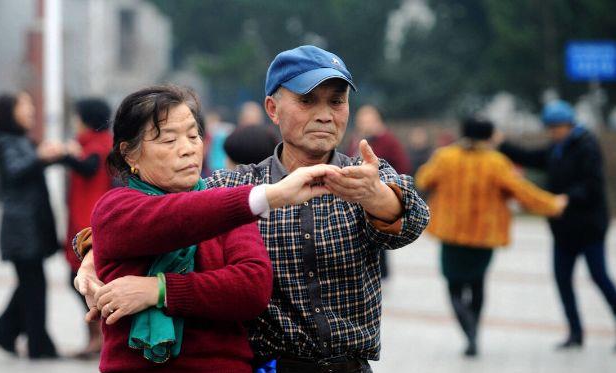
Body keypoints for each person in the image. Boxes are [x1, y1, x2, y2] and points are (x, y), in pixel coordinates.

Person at [76, 45, 430, 372]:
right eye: (308, 101)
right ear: (272, 109)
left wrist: (374, 195)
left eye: (336, 102)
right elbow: (168, 214)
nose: (325, 115)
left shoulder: (363, 176)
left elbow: (413, 217)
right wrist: (93, 256)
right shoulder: (237, 186)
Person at [76, 85, 341, 372]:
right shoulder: (117, 208)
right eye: (168, 140)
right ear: (129, 154)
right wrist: (268, 196)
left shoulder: (223, 208)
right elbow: (172, 218)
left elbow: (251, 288)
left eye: (193, 135)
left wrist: (160, 290)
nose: (188, 148)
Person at [415, 117, 568, 357]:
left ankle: (469, 333)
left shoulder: (446, 157)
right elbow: (522, 191)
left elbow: (424, 179)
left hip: (451, 233)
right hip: (484, 234)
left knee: (453, 285)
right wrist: (552, 204)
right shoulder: (496, 162)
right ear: (488, 136)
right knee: (477, 283)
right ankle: (475, 332)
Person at [498, 100, 616, 350]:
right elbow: (530, 157)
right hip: (563, 229)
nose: (552, 132)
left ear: (568, 124)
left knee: (599, 277)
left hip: (589, 227)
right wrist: (502, 145)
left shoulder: (586, 145)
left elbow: (592, 185)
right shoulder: (557, 148)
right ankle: (575, 333)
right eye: (550, 128)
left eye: (556, 127)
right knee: (563, 280)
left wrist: (568, 198)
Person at [0, 92, 60, 359]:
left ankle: (3, 333)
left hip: (30, 225)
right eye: (25, 104)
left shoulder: (19, 139)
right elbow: (17, 170)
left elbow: (30, 165)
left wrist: (55, 155)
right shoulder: (6, 141)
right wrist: (41, 156)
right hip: (22, 227)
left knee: (29, 285)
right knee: (34, 286)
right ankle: (39, 346)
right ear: (10, 110)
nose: (31, 108)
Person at [59, 98, 113, 358]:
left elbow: (89, 167)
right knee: (78, 282)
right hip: (81, 220)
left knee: (83, 281)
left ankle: (99, 338)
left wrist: (66, 156)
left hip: (88, 224)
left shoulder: (98, 145)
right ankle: (95, 337)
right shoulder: (91, 144)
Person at [346, 104, 412, 279]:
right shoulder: (357, 138)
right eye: (361, 120)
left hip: (381, 192)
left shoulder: (388, 140)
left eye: (368, 120)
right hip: (357, 195)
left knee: (380, 232)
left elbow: (402, 166)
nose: (364, 123)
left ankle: (381, 273)